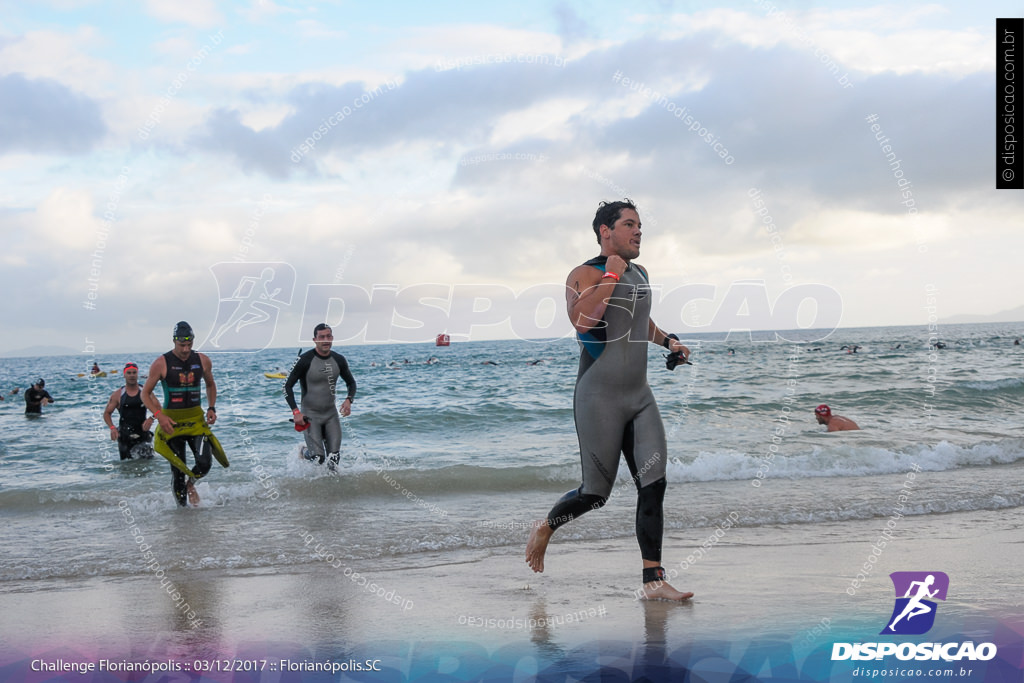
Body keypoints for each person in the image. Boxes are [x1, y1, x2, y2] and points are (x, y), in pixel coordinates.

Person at [525, 199, 694, 601]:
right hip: (598, 398)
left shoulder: (641, 272)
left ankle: (653, 581)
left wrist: (668, 339)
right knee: (595, 495)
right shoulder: (583, 273)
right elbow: (584, 321)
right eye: (630, 225)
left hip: (639, 396)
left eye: (640, 226)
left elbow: (638, 321)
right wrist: (611, 276)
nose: (638, 232)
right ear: (606, 231)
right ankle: (546, 526)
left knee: (653, 486)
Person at [142, 321, 228, 507]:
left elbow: (210, 384)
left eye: (189, 345)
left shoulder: (203, 360)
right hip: (171, 422)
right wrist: (159, 415)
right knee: (178, 471)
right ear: (174, 341)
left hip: (195, 420)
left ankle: (192, 484)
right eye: (182, 345)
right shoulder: (161, 363)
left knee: (205, 462)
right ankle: (183, 516)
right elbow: (145, 393)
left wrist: (211, 407)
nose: (186, 349)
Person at [284, 323, 356, 470]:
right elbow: (287, 386)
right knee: (318, 458)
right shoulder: (305, 360)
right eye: (321, 337)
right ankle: (304, 452)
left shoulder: (339, 359)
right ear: (315, 339)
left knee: (334, 460)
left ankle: (333, 492)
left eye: (328, 336)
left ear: (332, 338)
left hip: (331, 415)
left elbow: (351, 383)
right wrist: (296, 412)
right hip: (310, 415)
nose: (325, 340)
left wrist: (349, 400)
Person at [103, 362, 154, 459]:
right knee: (126, 468)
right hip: (124, 437)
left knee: (147, 468)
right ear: (124, 375)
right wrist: (112, 427)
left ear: (137, 374)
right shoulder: (118, 394)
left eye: (134, 373)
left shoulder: (145, 392)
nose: (132, 375)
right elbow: (107, 413)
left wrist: (151, 418)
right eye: (129, 373)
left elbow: (158, 409)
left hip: (143, 435)